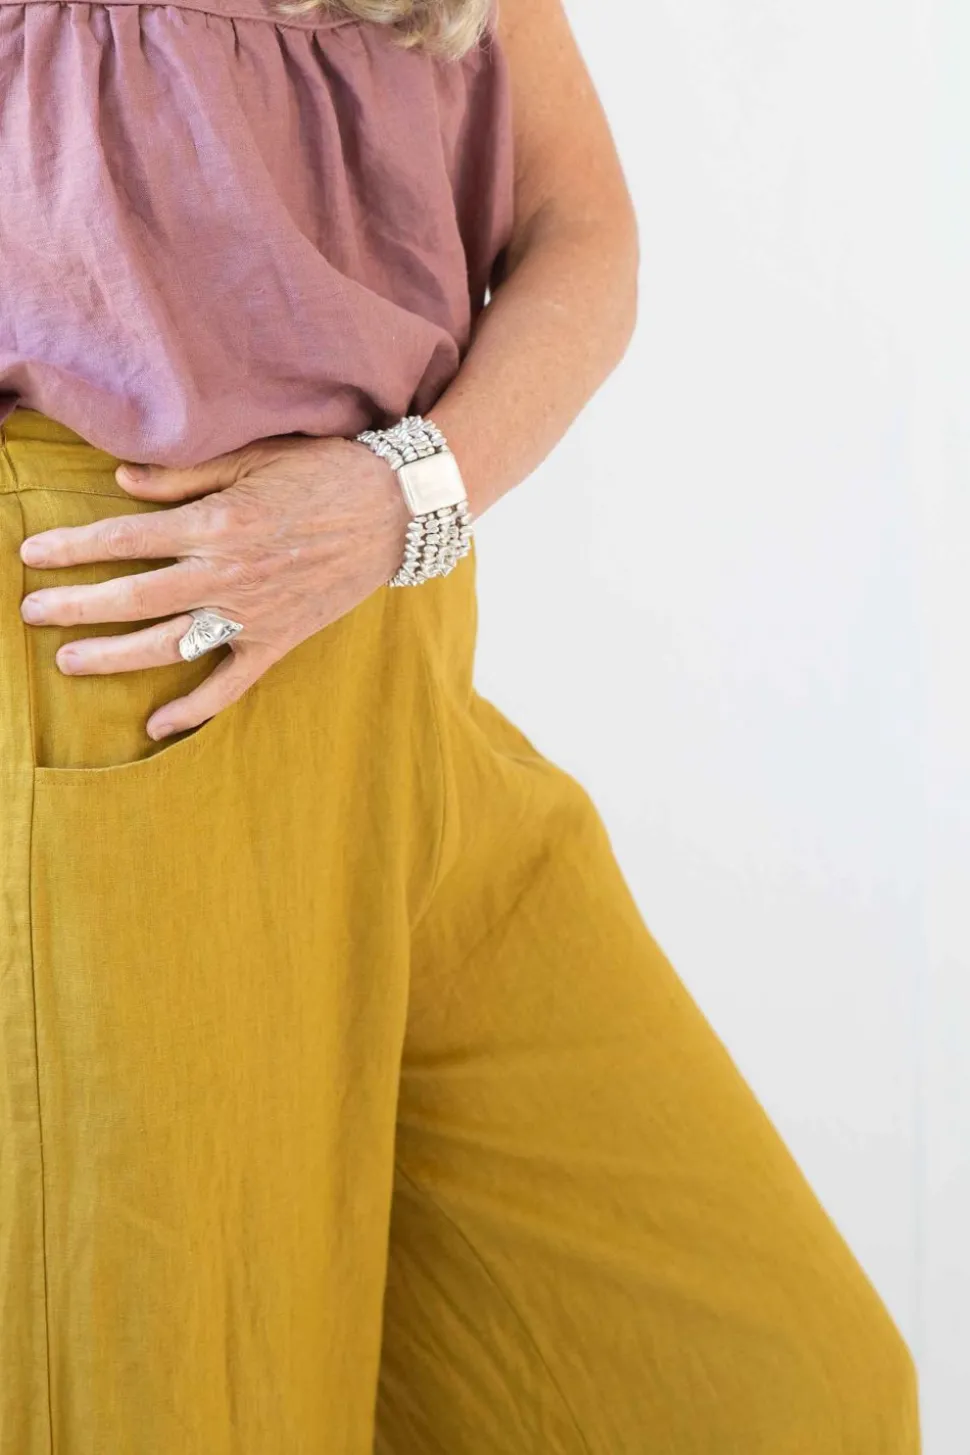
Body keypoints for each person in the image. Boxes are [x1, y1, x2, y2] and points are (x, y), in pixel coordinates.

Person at [0, 0, 921, 1448]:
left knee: (792, 1390)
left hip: (404, 668)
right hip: (120, 672)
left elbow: (578, 226)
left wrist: (402, 496)